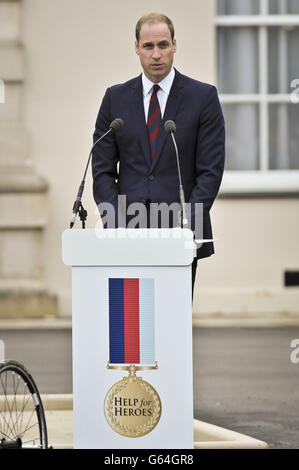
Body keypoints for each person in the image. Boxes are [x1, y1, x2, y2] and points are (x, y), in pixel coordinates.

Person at [92, 12, 225, 295]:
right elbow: (102, 169)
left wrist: (185, 225)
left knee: (171, 329)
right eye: (149, 46)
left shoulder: (203, 98)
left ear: (175, 45)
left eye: (163, 45)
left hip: (181, 234)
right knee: (130, 329)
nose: (156, 54)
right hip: (126, 233)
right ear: (136, 47)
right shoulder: (114, 99)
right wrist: (117, 225)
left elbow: (210, 171)